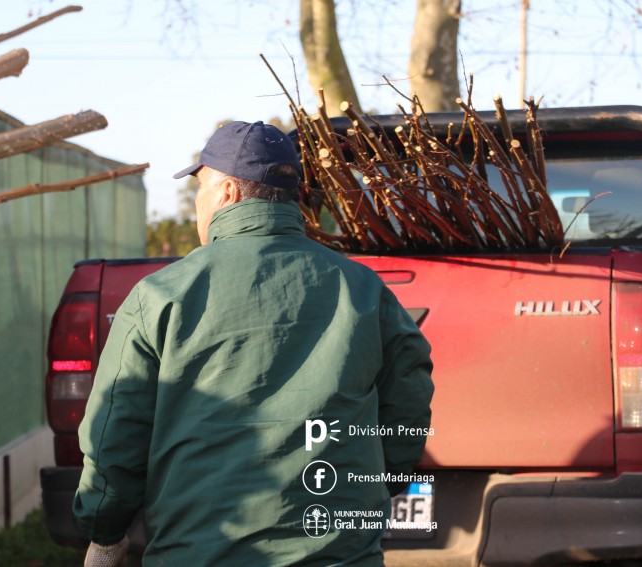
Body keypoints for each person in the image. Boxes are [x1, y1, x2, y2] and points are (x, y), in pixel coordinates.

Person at [73, 120, 434, 566]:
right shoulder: (363, 288)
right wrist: (377, 482)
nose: (196, 208)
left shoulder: (162, 295)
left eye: (200, 190)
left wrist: (104, 533)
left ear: (226, 194)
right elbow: (410, 404)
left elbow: (115, 430)